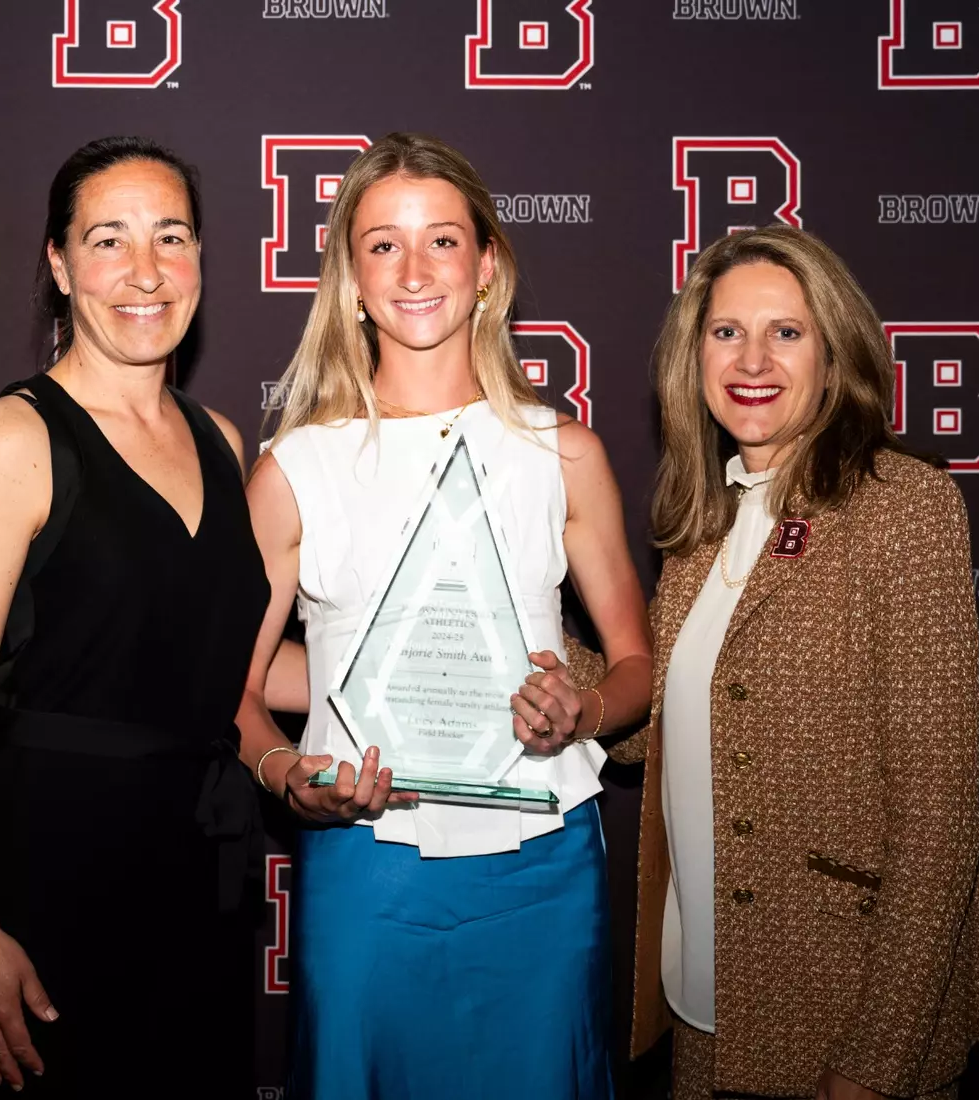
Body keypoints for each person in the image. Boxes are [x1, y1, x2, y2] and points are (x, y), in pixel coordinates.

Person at [235, 132, 653, 1099]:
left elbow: (635, 668)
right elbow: (239, 695)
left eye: (443, 241)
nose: (414, 270)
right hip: (367, 865)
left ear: (488, 264)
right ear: (348, 276)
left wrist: (582, 714)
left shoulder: (565, 452)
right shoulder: (296, 468)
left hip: (543, 869)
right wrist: (288, 775)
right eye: (382, 244)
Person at [597, 225, 979, 1098]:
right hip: (709, 1002)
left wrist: (873, 1065)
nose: (753, 358)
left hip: (843, 1009)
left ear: (833, 352)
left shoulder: (904, 509)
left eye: (786, 331)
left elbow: (938, 821)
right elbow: (652, 736)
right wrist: (536, 651)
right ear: (693, 355)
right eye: (726, 332)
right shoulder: (702, 527)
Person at [0, 136, 271, 1097]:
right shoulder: (10, 438)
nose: (145, 273)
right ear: (60, 267)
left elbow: (225, 672)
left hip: (196, 886)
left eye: (172, 237)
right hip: (45, 884)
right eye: (108, 241)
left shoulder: (222, 441)